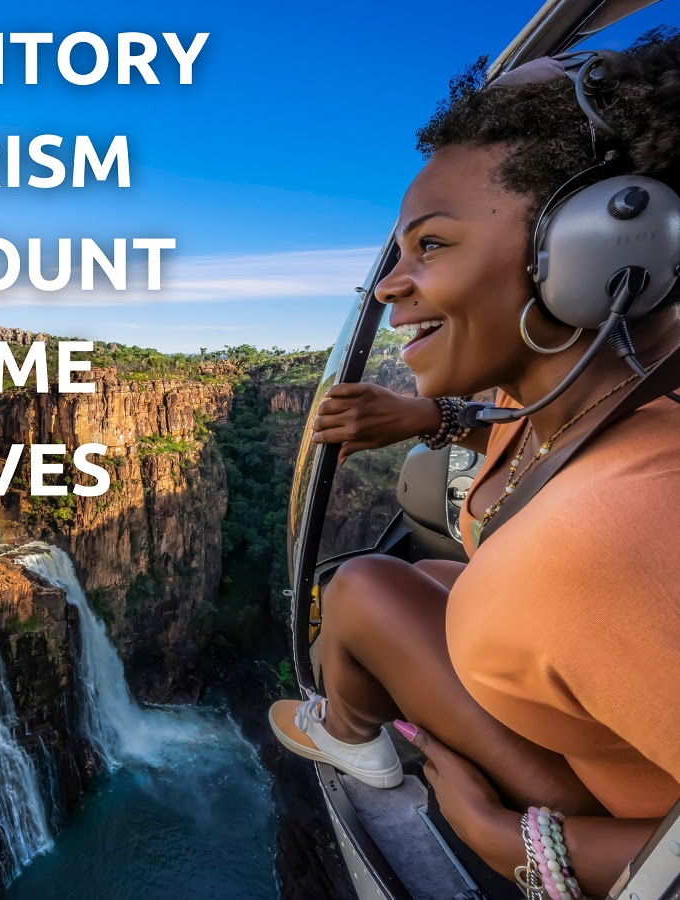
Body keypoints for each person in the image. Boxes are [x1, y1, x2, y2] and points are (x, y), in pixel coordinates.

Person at [269, 31, 680, 898]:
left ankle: (352, 739)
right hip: (580, 707)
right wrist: (436, 416)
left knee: (361, 592)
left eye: (434, 246)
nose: (388, 285)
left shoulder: (596, 544)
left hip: (600, 818)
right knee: (376, 585)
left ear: (584, 253)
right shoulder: (588, 407)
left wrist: (520, 846)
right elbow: (522, 432)